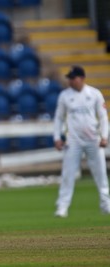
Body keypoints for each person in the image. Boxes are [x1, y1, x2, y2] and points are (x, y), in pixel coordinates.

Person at [53, 65, 110, 218]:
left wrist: (104, 136)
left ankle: (106, 205)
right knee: (68, 174)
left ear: (82, 78)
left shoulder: (94, 94)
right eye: (69, 78)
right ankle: (62, 207)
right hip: (73, 140)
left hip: (93, 139)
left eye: (73, 78)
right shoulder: (65, 96)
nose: (70, 81)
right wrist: (57, 138)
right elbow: (59, 118)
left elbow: (103, 117)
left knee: (101, 174)